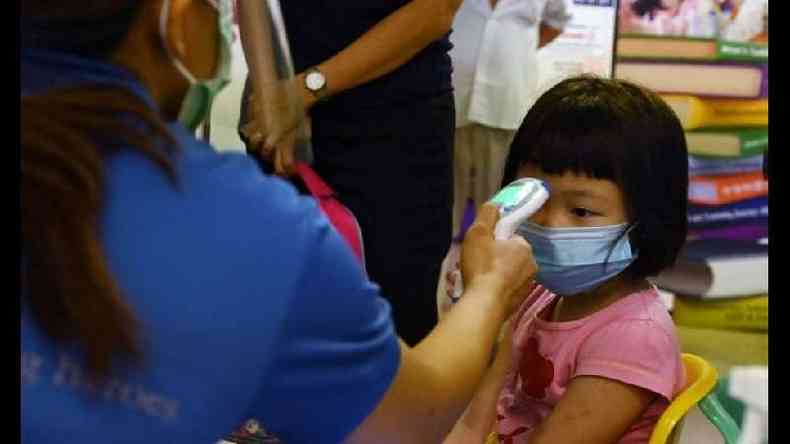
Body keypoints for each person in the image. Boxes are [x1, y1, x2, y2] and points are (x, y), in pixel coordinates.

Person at [20, 1, 539, 443]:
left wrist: (297, 91)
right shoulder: (248, 227)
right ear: (177, 22)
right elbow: (409, 418)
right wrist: (489, 287)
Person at [442, 76, 689, 443]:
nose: (548, 223)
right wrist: (482, 307)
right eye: (536, 201)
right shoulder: (540, 294)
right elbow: (466, 404)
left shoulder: (633, 338)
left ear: (649, 218)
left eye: (581, 210)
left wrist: (490, 308)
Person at [238, 0, 463, 346]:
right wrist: (271, 97)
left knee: (394, 314)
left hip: (394, 128)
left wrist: (304, 91)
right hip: (281, 116)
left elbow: (435, 9)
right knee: (281, 310)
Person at [449, 0, 570, 237]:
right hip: (454, 91)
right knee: (443, 187)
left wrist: (514, 50)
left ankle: (487, 254)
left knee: (498, 192)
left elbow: (556, 21)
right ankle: (441, 257)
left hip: (504, 97)